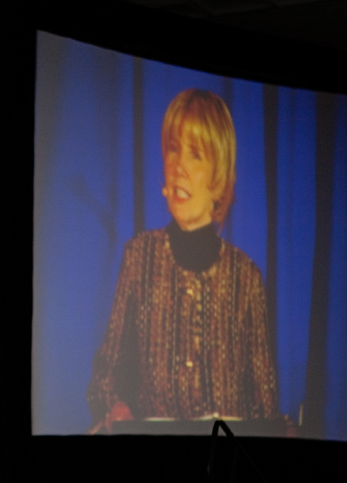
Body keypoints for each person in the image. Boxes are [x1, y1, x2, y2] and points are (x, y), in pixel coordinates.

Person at [87, 89, 279, 433]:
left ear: (219, 180)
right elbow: (105, 378)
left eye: (195, 154)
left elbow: (263, 407)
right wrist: (115, 408)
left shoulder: (246, 278)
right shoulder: (139, 257)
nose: (177, 167)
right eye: (173, 149)